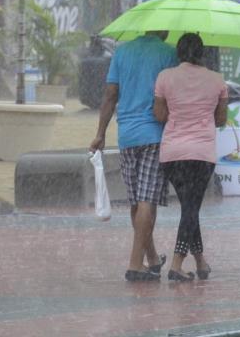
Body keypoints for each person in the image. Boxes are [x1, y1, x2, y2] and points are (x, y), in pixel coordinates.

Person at [89, 30, 177, 283]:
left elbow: (110, 95)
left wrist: (100, 133)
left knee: (136, 203)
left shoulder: (122, 52)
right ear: (162, 28)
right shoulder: (168, 53)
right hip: (154, 134)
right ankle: (134, 265)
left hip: (126, 135)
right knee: (147, 201)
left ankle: (151, 259)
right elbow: (172, 95)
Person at [153, 33, 228, 282]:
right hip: (202, 154)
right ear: (202, 53)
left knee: (189, 207)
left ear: (179, 52)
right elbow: (221, 119)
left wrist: (179, 111)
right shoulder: (217, 80)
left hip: (172, 154)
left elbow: (160, 115)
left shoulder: (165, 77)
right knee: (191, 207)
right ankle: (176, 265)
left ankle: (200, 261)